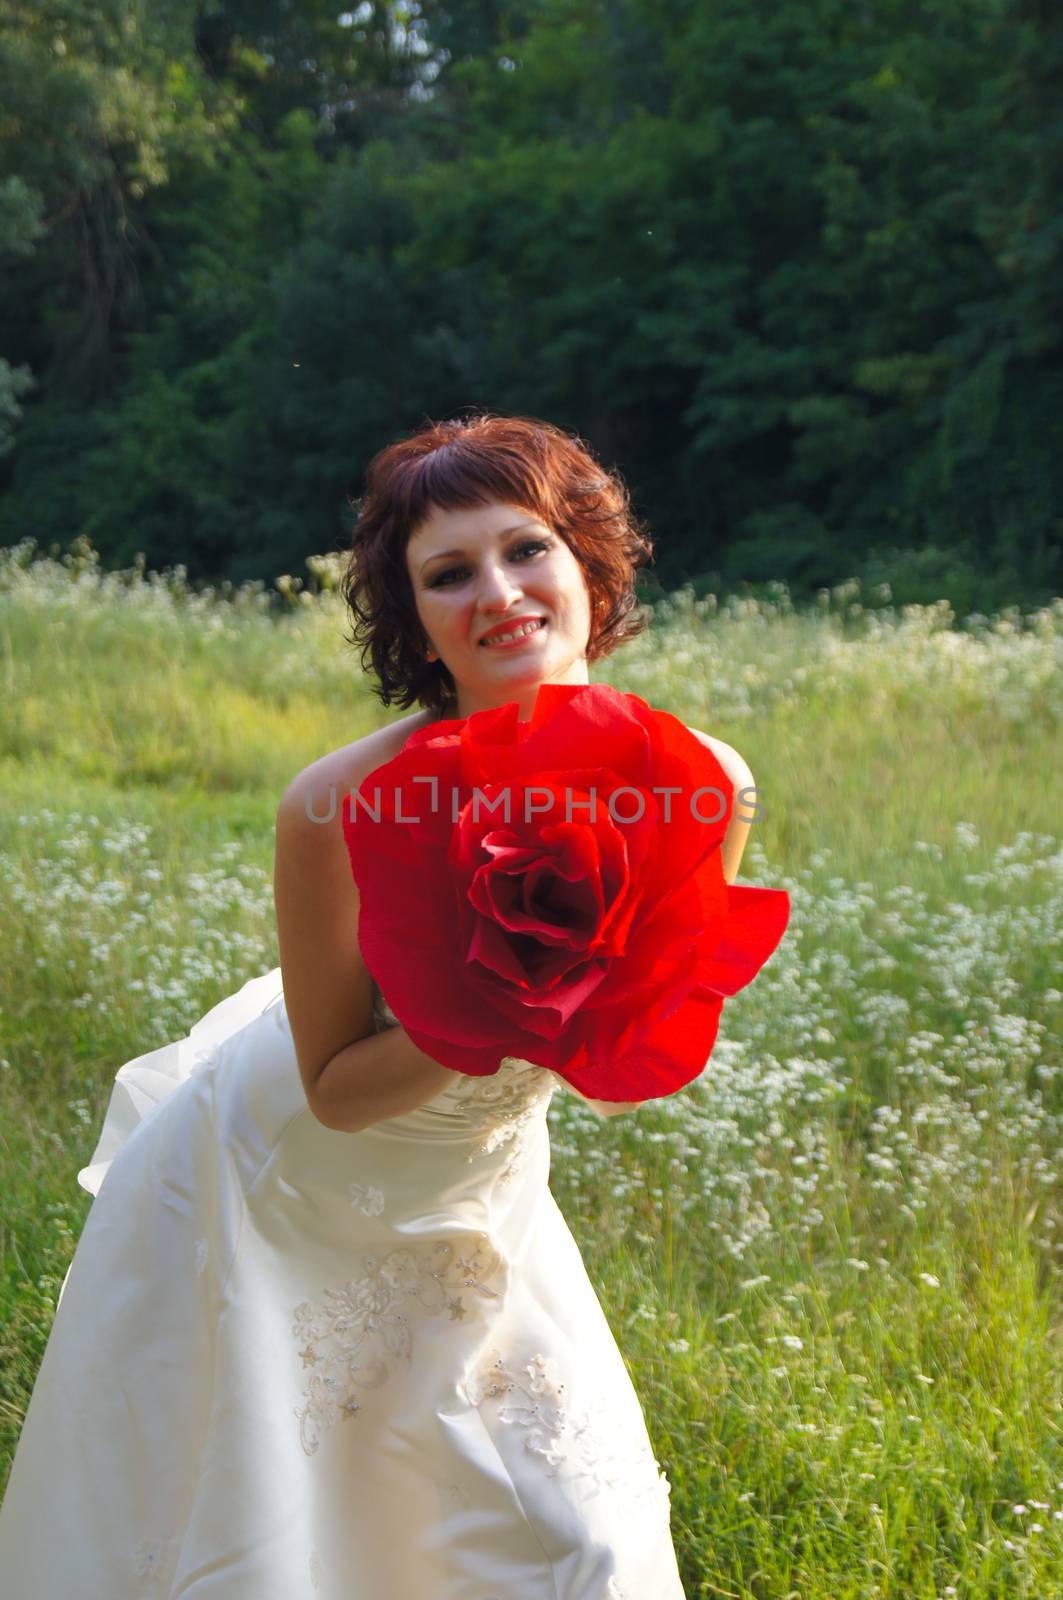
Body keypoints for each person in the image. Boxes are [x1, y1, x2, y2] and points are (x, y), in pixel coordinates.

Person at [0, 412, 755, 1597]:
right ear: (412, 618)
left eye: (526, 549)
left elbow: (646, 1029)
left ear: (587, 566)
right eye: (448, 573)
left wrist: (594, 1007)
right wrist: (500, 1012)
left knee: (589, 1548)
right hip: (285, 1195)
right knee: (307, 1541)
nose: (498, 593)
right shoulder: (334, 805)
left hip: (479, 1192)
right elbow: (334, 1091)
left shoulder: (702, 782)